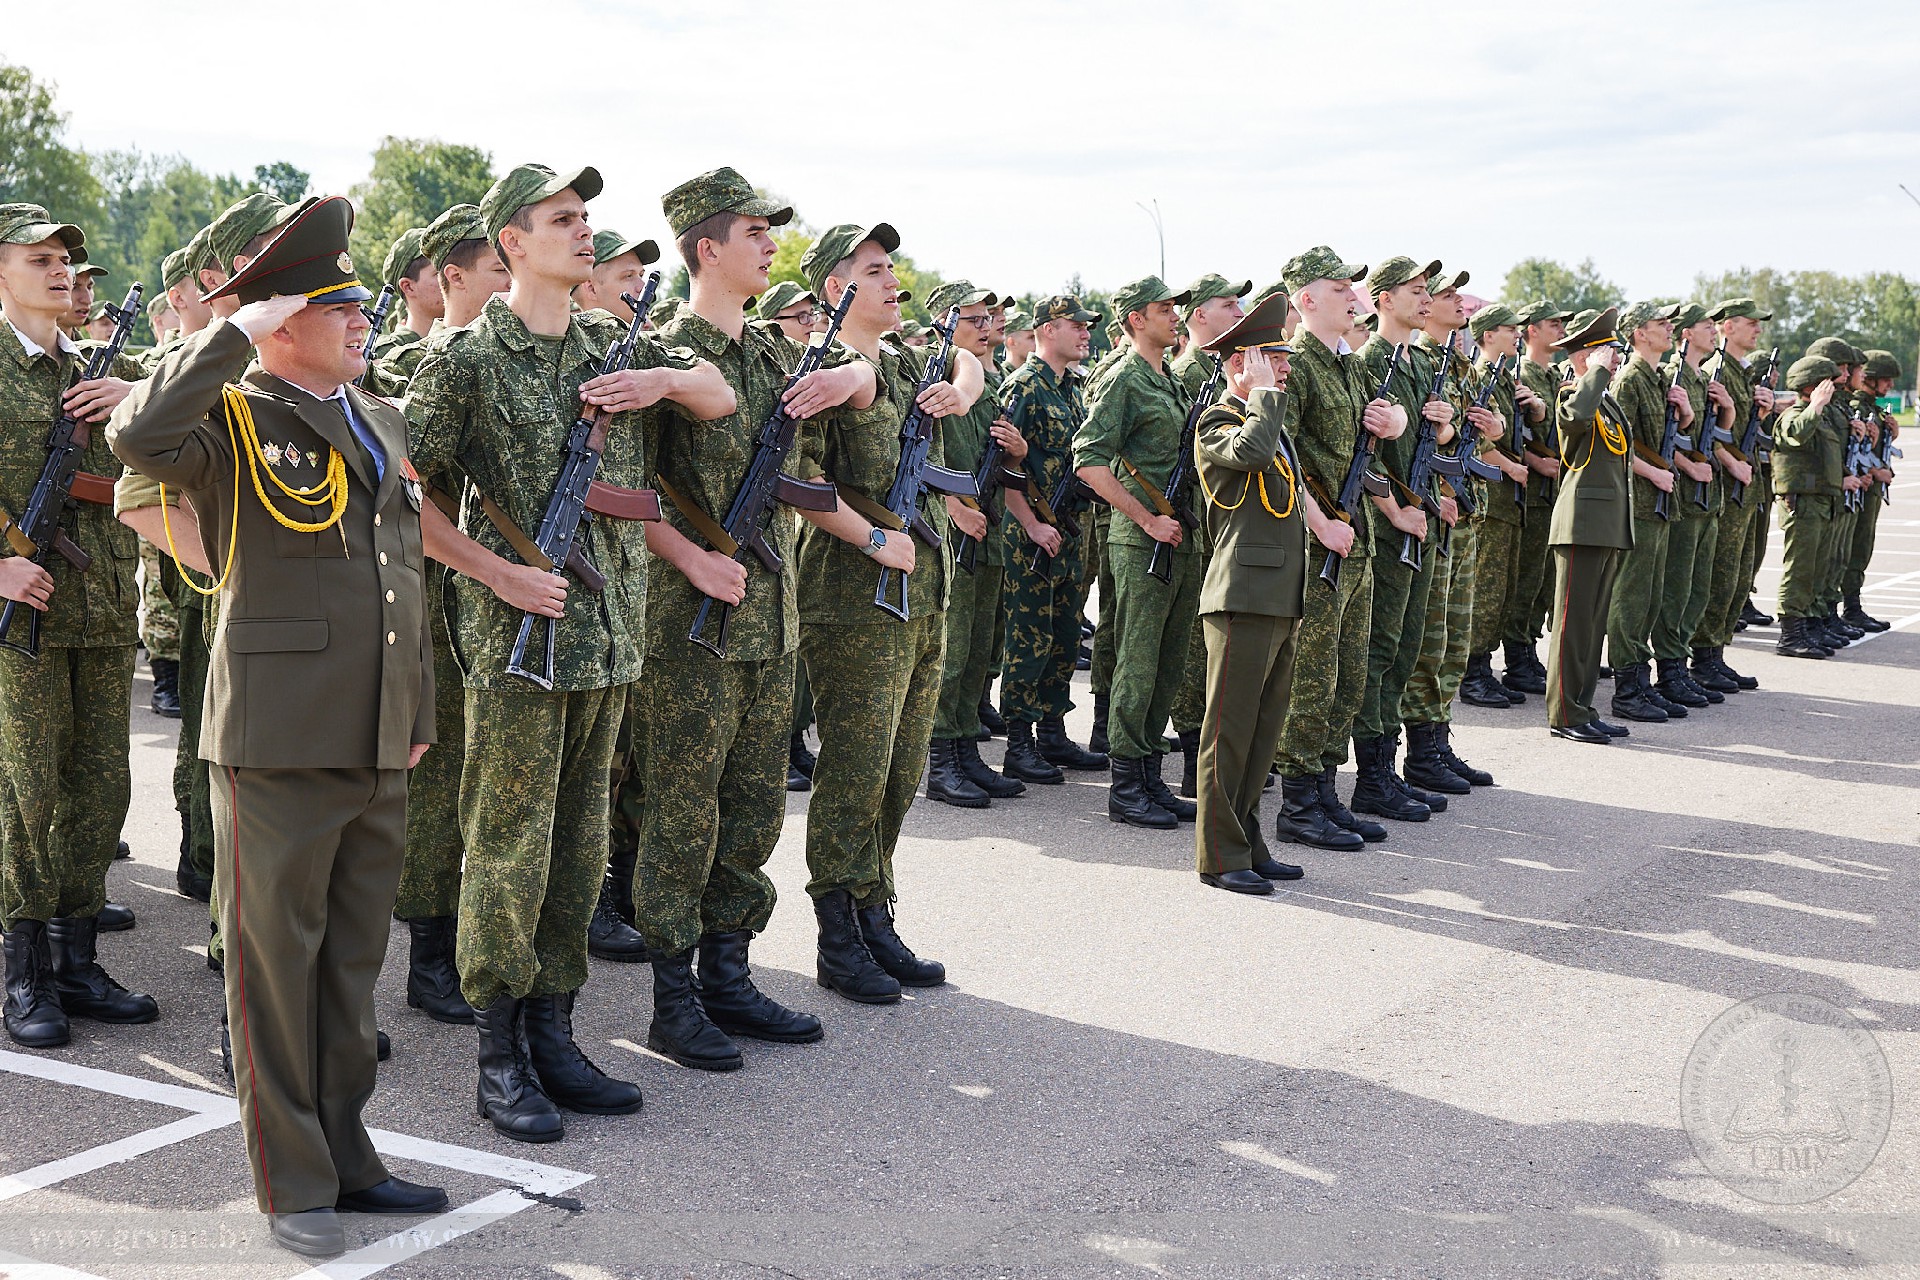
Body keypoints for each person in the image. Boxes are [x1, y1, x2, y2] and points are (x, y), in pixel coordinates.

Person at [110, 195, 447, 1257]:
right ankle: (293, 1181)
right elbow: (135, 435)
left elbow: (403, 576)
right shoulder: (233, 415)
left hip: (375, 733)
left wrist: (418, 704)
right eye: (335, 307)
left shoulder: (380, 419)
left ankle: (350, 1156)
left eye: (358, 305)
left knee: (350, 966)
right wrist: (231, 330)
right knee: (272, 972)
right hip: (276, 735)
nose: (361, 320)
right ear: (282, 323)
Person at [406, 163, 733, 1141]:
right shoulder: (467, 359)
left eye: (586, 216)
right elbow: (400, 494)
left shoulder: (613, 343)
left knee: (580, 850)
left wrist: (663, 379)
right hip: (520, 643)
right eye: (562, 219)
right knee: (511, 847)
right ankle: (499, 1055)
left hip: (610, 637)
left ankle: (555, 1034)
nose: (585, 231)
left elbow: (718, 394)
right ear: (511, 243)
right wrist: (494, 572)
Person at [633, 167, 876, 1066]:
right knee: (681, 810)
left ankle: (729, 976)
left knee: (753, 806)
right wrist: (690, 555)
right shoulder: (659, 352)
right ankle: (673, 998)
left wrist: (847, 374)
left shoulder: (776, 357)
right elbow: (623, 489)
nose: (772, 245)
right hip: (691, 619)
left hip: (771, 615)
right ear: (707, 248)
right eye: (755, 233)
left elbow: (860, 397)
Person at [791, 221, 980, 1003]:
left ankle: (875, 911)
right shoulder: (822, 371)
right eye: (875, 270)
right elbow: (796, 478)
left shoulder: (902, 361)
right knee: (856, 771)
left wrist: (962, 389)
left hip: (923, 590)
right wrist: (870, 537)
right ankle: (837, 934)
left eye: (892, 268)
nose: (893, 280)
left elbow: (967, 359)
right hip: (854, 595)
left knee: (902, 770)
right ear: (837, 289)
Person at [0, 204, 155, 1049]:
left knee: (100, 789)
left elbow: (213, 398)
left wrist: (138, 395)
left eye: (66, 258)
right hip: (21, 613)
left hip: (101, 611)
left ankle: (77, 958)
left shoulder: (106, 364)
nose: (62, 270)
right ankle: (23, 971)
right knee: (28, 794)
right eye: (40, 258)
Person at [1190, 295, 1351, 894]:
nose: (1284, 370)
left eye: (1283, 360)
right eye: (1273, 360)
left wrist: (1265, 400)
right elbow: (1251, 455)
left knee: (1261, 736)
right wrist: (1261, 394)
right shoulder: (1219, 422)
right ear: (1240, 363)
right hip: (1241, 596)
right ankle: (1218, 854)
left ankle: (1248, 842)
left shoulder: (1269, 422)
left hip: (1280, 595)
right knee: (1228, 733)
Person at [1269, 247, 1402, 851]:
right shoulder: (1295, 366)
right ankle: (1297, 803)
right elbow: (1279, 457)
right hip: (1318, 545)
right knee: (1313, 677)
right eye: (1340, 288)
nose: (1354, 296)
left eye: (1354, 287)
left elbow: (1386, 427)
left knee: (1348, 677)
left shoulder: (1350, 364)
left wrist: (1394, 423)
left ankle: (1325, 791)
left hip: (1357, 541)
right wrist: (1319, 523)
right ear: (1306, 299)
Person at [1073, 275, 1202, 828]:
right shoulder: (1125, 378)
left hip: (1181, 537)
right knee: (1139, 661)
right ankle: (1125, 785)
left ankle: (1150, 774)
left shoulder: (1166, 377)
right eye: (1164, 309)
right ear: (1135, 319)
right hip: (1142, 541)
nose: (1176, 317)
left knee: (1169, 663)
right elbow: (1088, 460)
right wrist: (1146, 518)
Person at [1352, 257, 1453, 822]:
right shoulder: (1371, 363)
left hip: (1420, 521)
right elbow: (1360, 458)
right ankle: (1371, 776)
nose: (1426, 299)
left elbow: (1427, 448)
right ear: (1384, 300)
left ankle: (1389, 769)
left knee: (1407, 647)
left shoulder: (1419, 363)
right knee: (1381, 648)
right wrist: (1396, 513)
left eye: (1426, 291)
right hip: (1390, 529)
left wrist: (1444, 426)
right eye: (1416, 291)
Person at [923, 279, 1031, 808]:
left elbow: (1000, 464)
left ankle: (966, 751)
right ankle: (940, 760)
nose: (986, 328)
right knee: (952, 651)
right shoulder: (930, 377)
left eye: (988, 319)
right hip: (951, 534)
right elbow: (916, 454)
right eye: (974, 319)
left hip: (985, 534)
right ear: (945, 322)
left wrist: (1017, 450)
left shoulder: (987, 387)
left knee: (976, 652)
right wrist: (954, 508)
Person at [997, 296, 1100, 788]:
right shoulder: (1024, 387)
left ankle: (1053, 732)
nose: (1084, 332)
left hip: (1068, 530)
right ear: (1046, 329)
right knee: (1029, 636)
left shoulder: (1071, 388)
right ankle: (1019, 744)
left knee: (1064, 634)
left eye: (1086, 326)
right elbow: (1002, 469)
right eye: (1074, 325)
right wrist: (1033, 524)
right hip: (1031, 534)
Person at [1402, 267, 1496, 794]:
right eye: (1447, 294)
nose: (1459, 301)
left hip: (1466, 511)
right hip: (1436, 514)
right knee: (1430, 638)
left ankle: (1438, 740)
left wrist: (1490, 427)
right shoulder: (1418, 361)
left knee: (1455, 638)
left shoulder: (1460, 364)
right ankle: (1420, 751)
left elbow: (1487, 432)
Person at [1543, 306, 1634, 742]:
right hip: (1580, 524)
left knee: (1593, 625)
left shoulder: (1605, 401)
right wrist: (1594, 373)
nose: (1616, 360)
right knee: (1572, 625)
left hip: (1606, 524)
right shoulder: (1572, 394)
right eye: (1609, 353)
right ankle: (1564, 714)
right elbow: (1577, 418)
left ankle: (1582, 707)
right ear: (1586, 356)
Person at [1602, 301, 1688, 722]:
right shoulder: (1629, 380)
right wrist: (1653, 474)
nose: (1669, 328)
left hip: (1658, 502)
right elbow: (1615, 442)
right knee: (1631, 597)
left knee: (1652, 595)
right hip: (1638, 501)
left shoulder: (1658, 378)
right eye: (1660, 323)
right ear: (1639, 333)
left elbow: (1665, 436)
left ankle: (1642, 681)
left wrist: (1686, 412)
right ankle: (1627, 689)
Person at [1459, 303, 1541, 712]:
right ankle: (1472, 674)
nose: (1517, 335)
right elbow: (1476, 440)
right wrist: (1510, 466)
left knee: (1504, 591)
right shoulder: (1478, 377)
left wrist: (1535, 406)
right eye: (1510, 329)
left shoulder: (1507, 379)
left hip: (1510, 504)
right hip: (1492, 502)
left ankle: (1485, 668)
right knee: (1486, 592)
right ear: (1488, 334)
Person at [1651, 304, 1732, 709]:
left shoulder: (1703, 379)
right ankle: (1669, 669)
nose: (1714, 332)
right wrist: (1687, 467)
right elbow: (1665, 439)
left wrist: (1728, 408)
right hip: (1683, 497)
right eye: (1706, 326)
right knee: (1676, 590)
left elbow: (1714, 436)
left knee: (1698, 589)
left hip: (1707, 500)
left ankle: (1682, 666)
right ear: (1686, 334)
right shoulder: (1674, 375)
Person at [1690, 300, 1774, 690]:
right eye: (1751, 323)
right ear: (1729, 327)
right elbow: (1707, 433)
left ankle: (1716, 652)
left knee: (1738, 577)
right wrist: (1730, 462)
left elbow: (1738, 429)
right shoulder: (1716, 370)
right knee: (1719, 576)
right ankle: (1703, 657)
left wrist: (1763, 411)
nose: (1758, 330)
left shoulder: (1741, 372)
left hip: (1744, 487)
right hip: (1724, 486)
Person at [1500, 299, 1569, 697]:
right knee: (1526, 580)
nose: (1561, 330)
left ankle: (1527, 650)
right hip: (1534, 492)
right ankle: (1517, 656)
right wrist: (1535, 461)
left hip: (1554, 490)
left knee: (1543, 580)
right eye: (1553, 324)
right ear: (1532, 331)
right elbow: (1514, 436)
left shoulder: (1554, 375)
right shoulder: (1521, 373)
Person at [1769, 355, 1846, 658]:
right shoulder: (1794, 414)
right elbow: (1796, 434)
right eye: (1828, 383)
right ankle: (1790, 635)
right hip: (1801, 503)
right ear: (1811, 386)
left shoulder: (1820, 417)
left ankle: (1809, 628)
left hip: (1821, 500)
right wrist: (1815, 405)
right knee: (1799, 569)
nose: (1833, 389)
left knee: (1816, 569)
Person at [1844, 349, 1900, 631]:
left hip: (1869, 491)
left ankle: (1852, 606)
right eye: (1886, 379)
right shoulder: (1858, 406)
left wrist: (1892, 433)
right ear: (1871, 378)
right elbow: (1852, 451)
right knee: (1853, 548)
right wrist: (1876, 473)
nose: (1890, 385)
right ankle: (1849, 608)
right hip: (1858, 489)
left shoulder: (1873, 409)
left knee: (1862, 547)